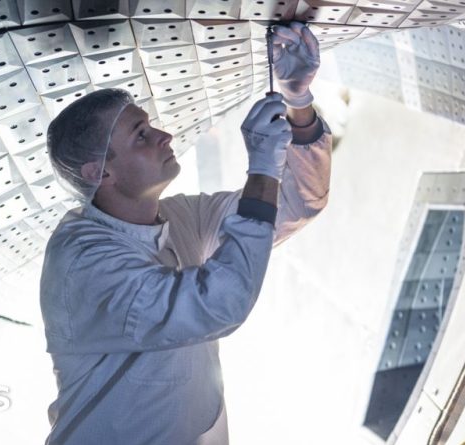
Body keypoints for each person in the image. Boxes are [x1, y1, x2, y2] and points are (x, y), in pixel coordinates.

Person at [39, 22, 332, 444]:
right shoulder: (81, 261)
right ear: (99, 172)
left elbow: (297, 203)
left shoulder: (181, 219)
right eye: (141, 134)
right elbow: (218, 303)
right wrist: (263, 167)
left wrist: (298, 103)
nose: (165, 135)